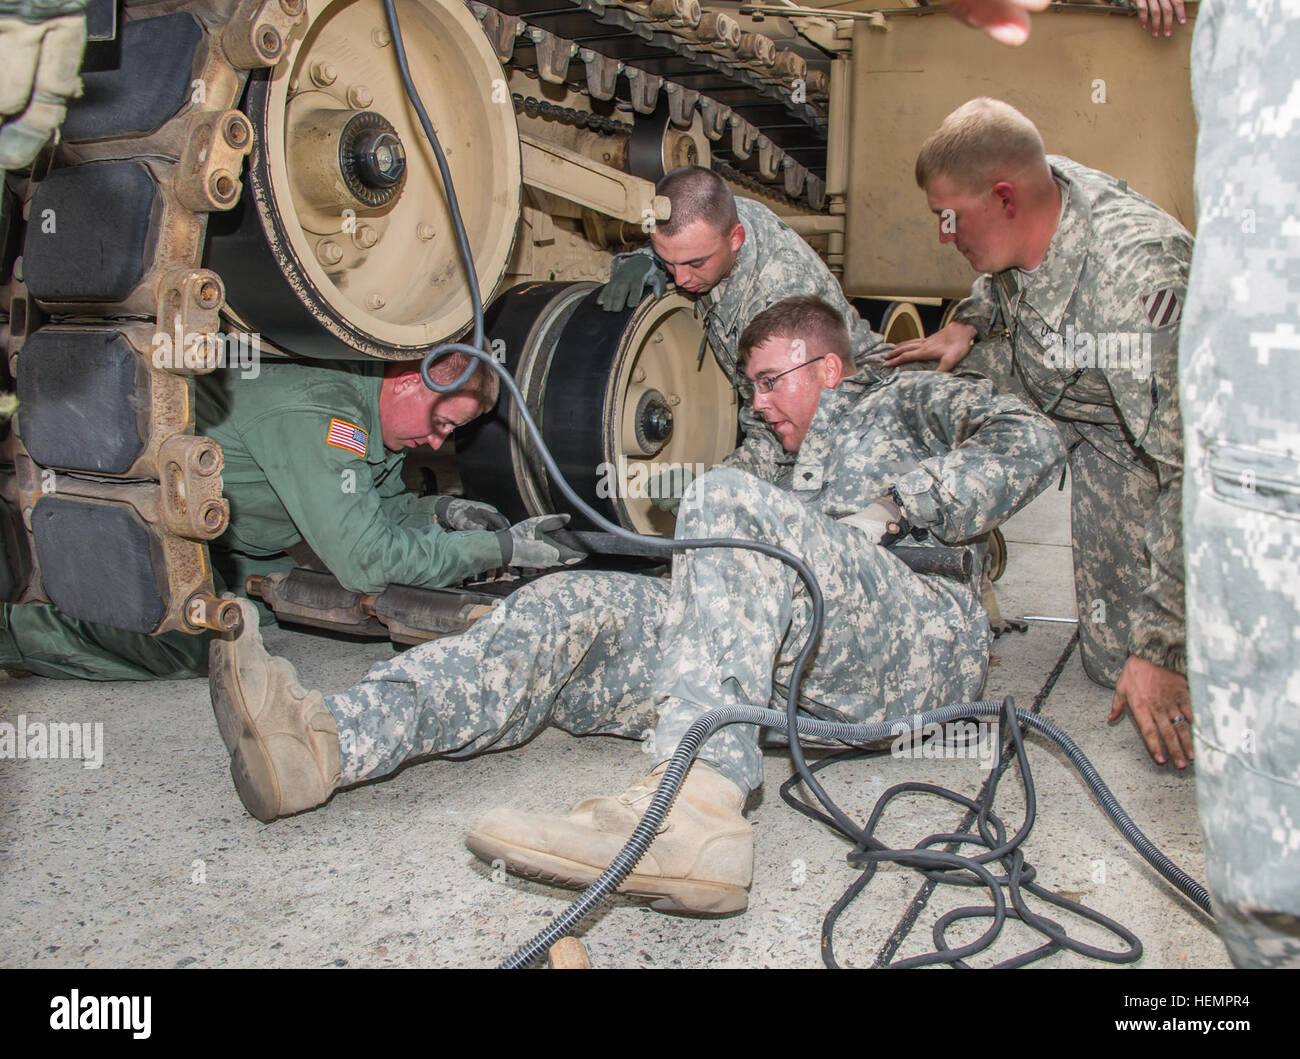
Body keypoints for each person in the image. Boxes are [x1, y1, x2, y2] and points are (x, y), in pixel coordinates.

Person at [208, 295, 1064, 914]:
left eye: (771, 383)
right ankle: (326, 741)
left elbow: (1033, 439)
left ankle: (696, 812)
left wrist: (901, 505)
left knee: (727, 502)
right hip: (786, 673)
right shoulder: (769, 456)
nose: (758, 403)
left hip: (913, 646)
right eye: (753, 388)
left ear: (829, 368)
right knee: (572, 606)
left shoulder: (901, 403)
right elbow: (725, 574)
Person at [886, 98, 1194, 772]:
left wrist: (1161, 650)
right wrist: (967, 318)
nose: (944, 234)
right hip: (1056, 372)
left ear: (1004, 198)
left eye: (951, 218)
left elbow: (1190, 473)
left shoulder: (1135, 285)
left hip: (1133, 436)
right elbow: (1007, 279)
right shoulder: (1034, 185)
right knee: (916, 391)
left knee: (1119, 662)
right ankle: (948, 551)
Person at [0, 354, 583, 680]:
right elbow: (369, 563)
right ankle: (14, 635)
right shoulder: (325, 420)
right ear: (409, 380)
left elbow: (374, 507)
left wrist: (441, 510)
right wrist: (500, 550)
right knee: (190, 645)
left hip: (229, 536)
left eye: (449, 433)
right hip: (144, 525)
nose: (436, 444)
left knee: (258, 613)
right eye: (441, 423)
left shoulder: (359, 406)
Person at [598, 166, 893, 484]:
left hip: (851, 421)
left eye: (696, 264)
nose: (681, 279)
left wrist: (715, 487)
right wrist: (646, 259)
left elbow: (782, 441)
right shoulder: (715, 213)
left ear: (735, 239)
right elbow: (684, 236)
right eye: (670, 262)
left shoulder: (782, 305)